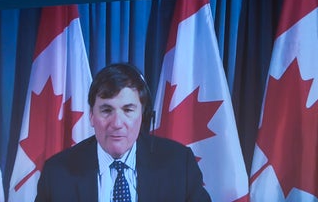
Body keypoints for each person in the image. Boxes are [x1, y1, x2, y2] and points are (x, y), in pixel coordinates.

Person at [34, 62, 211, 202]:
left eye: (128, 110)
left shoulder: (179, 164)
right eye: (106, 110)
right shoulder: (56, 173)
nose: (117, 124)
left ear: (144, 115)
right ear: (91, 116)